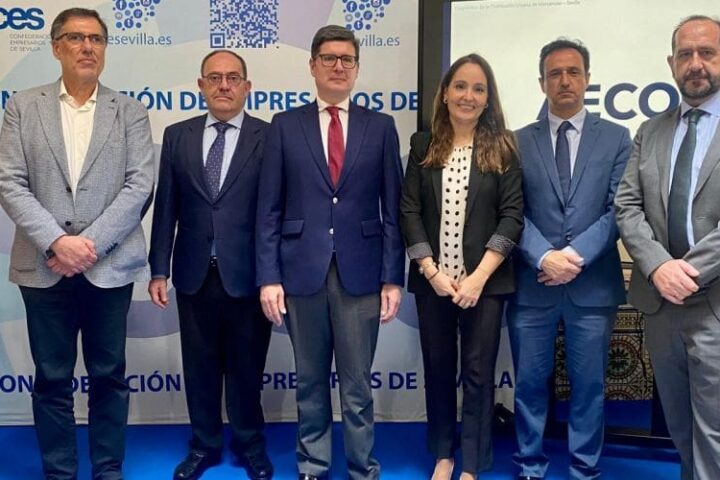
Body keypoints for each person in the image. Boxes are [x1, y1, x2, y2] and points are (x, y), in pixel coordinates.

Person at [0, 7, 154, 480]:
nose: (87, 47)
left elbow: (139, 185)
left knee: (109, 374)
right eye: (75, 37)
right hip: (43, 267)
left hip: (108, 266)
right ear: (55, 47)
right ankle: (60, 471)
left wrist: (87, 246)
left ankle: (108, 468)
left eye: (96, 39)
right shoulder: (22, 106)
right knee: (51, 377)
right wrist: (56, 242)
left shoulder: (129, 111)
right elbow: (10, 181)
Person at [255, 24, 405, 480]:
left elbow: (393, 209)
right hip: (301, 272)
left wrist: (392, 278)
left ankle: (363, 467)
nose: (338, 66)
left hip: (362, 273)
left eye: (347, 59)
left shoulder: (381, 127)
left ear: (357, 68)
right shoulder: (286, 125)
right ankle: (313, 465)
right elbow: (269, 208)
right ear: (313, 66)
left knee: (357, 384)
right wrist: (269, 277)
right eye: (329, 58)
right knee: (310, 380)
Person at [508, 39, 631, 480]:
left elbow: (620, 208)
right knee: (528, 384)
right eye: (555, 73)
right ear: (541, 82)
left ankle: (584, 468)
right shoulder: (516, 142)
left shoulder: (616, 137)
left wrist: (573, 256)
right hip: (532, 284)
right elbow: (511, 211)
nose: (565, 81)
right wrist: (543, 256)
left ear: (588, 79)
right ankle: (530, 465)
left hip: (592, 285)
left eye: (573, 72)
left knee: (589, 387)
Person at [148, 50, 272, 480]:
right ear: (200, 85)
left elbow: (275, 211)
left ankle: (250, 444)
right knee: (199, 368)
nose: (223, 85)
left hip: (249, 276)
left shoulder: (268, 136)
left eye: (233, 78)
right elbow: (166, 206)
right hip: (193, 273)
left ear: (247, 87)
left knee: (247, 368)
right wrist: (159, 268)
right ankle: (203, 445)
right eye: (214, 77)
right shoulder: (177, 136)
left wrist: (273, 274)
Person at [400, 53, 523, 480]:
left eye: (478, 88)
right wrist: (431, 271)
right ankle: (443, 454)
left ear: (488, 99)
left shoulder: (504, 147)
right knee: (438, 369)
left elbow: (512, 216)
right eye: (460, 86)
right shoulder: (423, 145)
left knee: (477, 372)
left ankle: (472, 462)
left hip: (485, 284)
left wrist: (479, 277)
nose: (468, 95)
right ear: (446, 93)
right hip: (433, 283)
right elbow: (409, 211)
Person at [615, 15, 720, 480]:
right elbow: (627, 205)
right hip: (661, 304)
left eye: (707, 53)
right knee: (680, 426)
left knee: (714, 431)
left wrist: (687, 272)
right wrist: (659, 267)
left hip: (714, 302)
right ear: (671, 62)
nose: (695, 64)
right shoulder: (650, 130)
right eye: (685, 54)